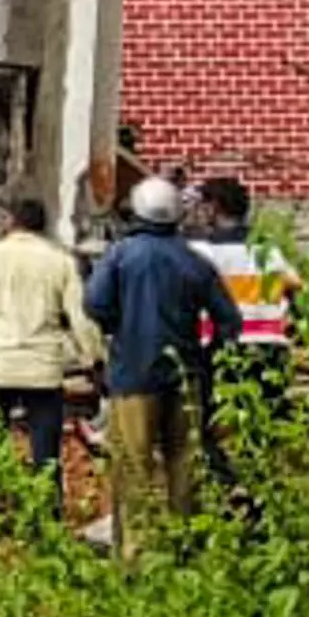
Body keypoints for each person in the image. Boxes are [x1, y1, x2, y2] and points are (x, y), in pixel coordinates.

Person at [85, 174, 239, 557]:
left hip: (133, 376)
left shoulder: (120, 255)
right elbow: (229, 321)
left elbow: (94, 304)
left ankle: (133, 553)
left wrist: (118, 325)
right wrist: (205, 356)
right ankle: (186, 547)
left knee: (133, 465)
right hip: (185, 378)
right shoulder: (194, 260)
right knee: (184, 466)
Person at [0, 194, 100, 479]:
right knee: (46, 451)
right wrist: (94, 358)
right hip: (42, 369)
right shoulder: (61, 261)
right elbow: (81, 318)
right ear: (43, 227)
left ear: (11, 222)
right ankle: (48, 512)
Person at [189, 176, 297, 501]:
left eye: (203, 205)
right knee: (264, 426)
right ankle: (262, 491)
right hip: (269, 347)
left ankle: (229, 481)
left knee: (200, 424)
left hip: (222, 348)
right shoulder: (266, 250)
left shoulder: (203, 252)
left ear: (214, 207)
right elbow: (294, 286)